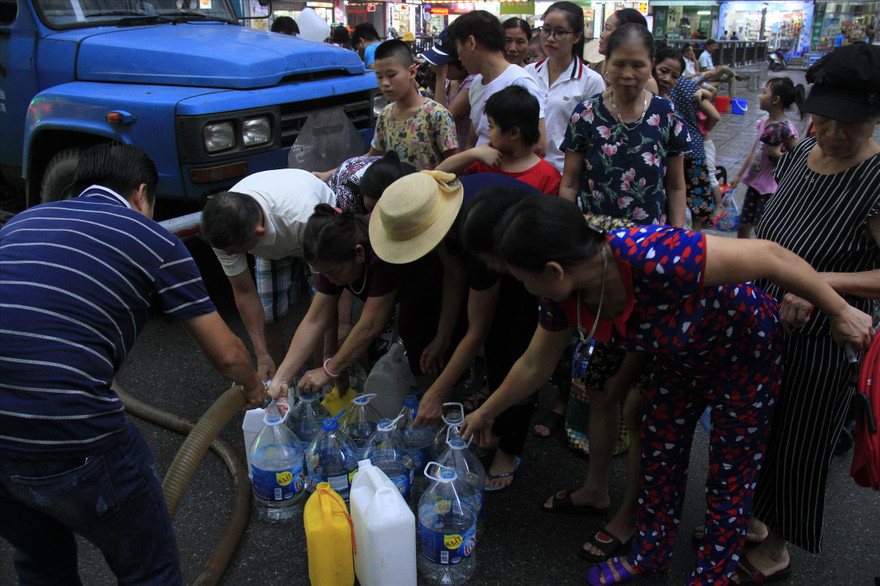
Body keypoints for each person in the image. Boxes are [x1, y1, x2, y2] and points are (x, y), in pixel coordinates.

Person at [461, 195, 872, 585]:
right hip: (679, 362)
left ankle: (711, 576)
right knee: (659, 457)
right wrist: (485, 413)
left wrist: (839, 310)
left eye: (522, 278)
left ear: (554, 271)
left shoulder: (653, 254)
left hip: (745, 356)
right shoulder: (561, 294)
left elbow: (770, 256)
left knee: (730, 476)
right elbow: (534, 364)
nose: (523, 286)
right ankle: (650, 555)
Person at [0, 143, 264, 585]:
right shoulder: (154, 239)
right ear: (142, 194)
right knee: (150, 571)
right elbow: (228, 354)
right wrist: (254, 388)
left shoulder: (21, 222)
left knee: (40, 562)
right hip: (72, 432)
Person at [733, 42, 880, 584]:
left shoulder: (875, 179)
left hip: (822, 336)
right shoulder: (800, 153)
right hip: (765, 321)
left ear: (875, 117)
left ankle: (776, 549)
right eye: (825, 118)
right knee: (756, 428)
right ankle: (749, 519)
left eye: (851, 123)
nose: (834, 133)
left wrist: (817, 285)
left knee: (799, 441)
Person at [548, 24, 688, 565]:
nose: (628, 74)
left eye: (639, 65)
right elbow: (570, 183)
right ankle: (595, 488)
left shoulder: (667, 115)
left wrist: (678, 249)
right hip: (597, 264)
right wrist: (567, 238)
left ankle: (633, 512)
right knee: (602, 387)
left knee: (643, 399)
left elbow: (675, 187)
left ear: (652, 65)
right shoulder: (586, 114)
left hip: (651, 262)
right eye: (619, 63)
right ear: (603, 61)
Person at [372, 173, 545, 490]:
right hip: (496, 251)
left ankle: (509, 449)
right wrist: (442, 336)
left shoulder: (476, 233)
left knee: (513, 349)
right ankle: (497, 427)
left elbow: (477, 330)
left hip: (530, 255)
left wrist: (437, 392)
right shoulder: (437, 213)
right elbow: (454, 273)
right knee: (497, 348)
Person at [201, 169, 336, 382]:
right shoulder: (223, 231)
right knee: (269, 317)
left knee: (319, 313)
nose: (230, 256)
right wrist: (260, 354)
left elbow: (324, 297)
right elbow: (244, 291)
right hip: (280, 237)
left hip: (315, 229)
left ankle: (319, 379)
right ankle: (280, 384)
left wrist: (326, 369)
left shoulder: (303, 218)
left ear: (259, 233)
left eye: (237, 251)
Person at [447, 10, 547, 155]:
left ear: (471, 43)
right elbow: (473, 141)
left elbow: (539, 146)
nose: (459, 57)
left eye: (458, 47)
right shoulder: (476, 83)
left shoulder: (519, 82)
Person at [525, 1, 606, 175]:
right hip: (529, 171)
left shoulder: (590, 81)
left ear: (576, 37)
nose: (550, 38)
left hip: (564, 173)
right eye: (546, 30)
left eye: (560, 32)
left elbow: (594, 137)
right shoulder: (528, 73)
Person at [437, 85, 561, 195]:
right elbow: (438, 173)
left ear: (514, 133)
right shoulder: (486, 160)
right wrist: (473, 154)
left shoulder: (548, 177)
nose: (488, 134)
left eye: (491, 126)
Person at [654, 46, 723, 232]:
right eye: (663, 71)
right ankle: (691, 240)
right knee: (696, 203)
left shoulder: (661, 96)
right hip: (695, 151)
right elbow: (714, 115)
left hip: (675, 155)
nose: (667, 78)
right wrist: (701, 132)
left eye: (673, 75)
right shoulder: (689, 87)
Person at [368, 39, 458, 169]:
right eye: (380, 77)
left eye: (391, 75)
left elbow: (454, 164)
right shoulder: (385, 115)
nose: (385, 83)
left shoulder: (437, 114)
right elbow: (373, 156)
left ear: (411, 72)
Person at [732, 77, 802, 239]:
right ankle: (742, 252)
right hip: (755, 183)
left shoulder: (787, 129)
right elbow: (754, 151)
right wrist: (739, 176)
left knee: (761, 228)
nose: (760, 96)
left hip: (771, 188)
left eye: (764, 93)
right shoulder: (763, 123)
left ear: (776, 100)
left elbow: (798, 157)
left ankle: (762, 253)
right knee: (744, 225)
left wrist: (776, 153)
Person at [423, 28, 476, 151]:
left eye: (444, 64)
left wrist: (440, 76)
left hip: (460, 152)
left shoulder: (472, 82)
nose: (439, 66)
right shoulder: (450, 80)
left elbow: (442, 120)